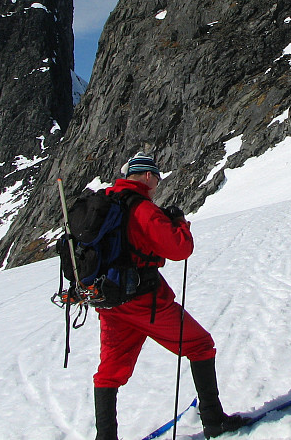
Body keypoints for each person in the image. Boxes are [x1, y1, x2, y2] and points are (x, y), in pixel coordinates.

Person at [92, 152, 250, 440]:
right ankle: (214, 420)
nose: (157, 184)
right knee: (200, 344)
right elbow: (180, 249)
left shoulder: (107, 202)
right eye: (157, 178)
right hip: (145, 302)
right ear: (148, 176)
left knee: (110, 371)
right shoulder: (141, 208)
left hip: (110, 301)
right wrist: (179, 223)